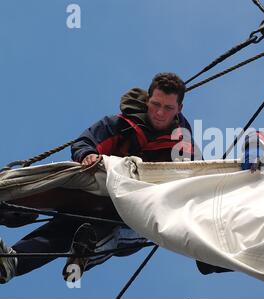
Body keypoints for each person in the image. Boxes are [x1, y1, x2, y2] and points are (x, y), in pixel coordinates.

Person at [0, 72, 199, 284]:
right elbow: (85, 142)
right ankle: (10, 233)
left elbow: (191, 186)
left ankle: (86, 252)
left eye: (168, 108)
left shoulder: (183, 149)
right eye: (155, 104)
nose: (160, 113)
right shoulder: (120, 125)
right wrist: (88, 155)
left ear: (179, 109)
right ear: (148, 99)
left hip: (131, 217)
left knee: (98, 230)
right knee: (63, 205)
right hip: (95, 196)